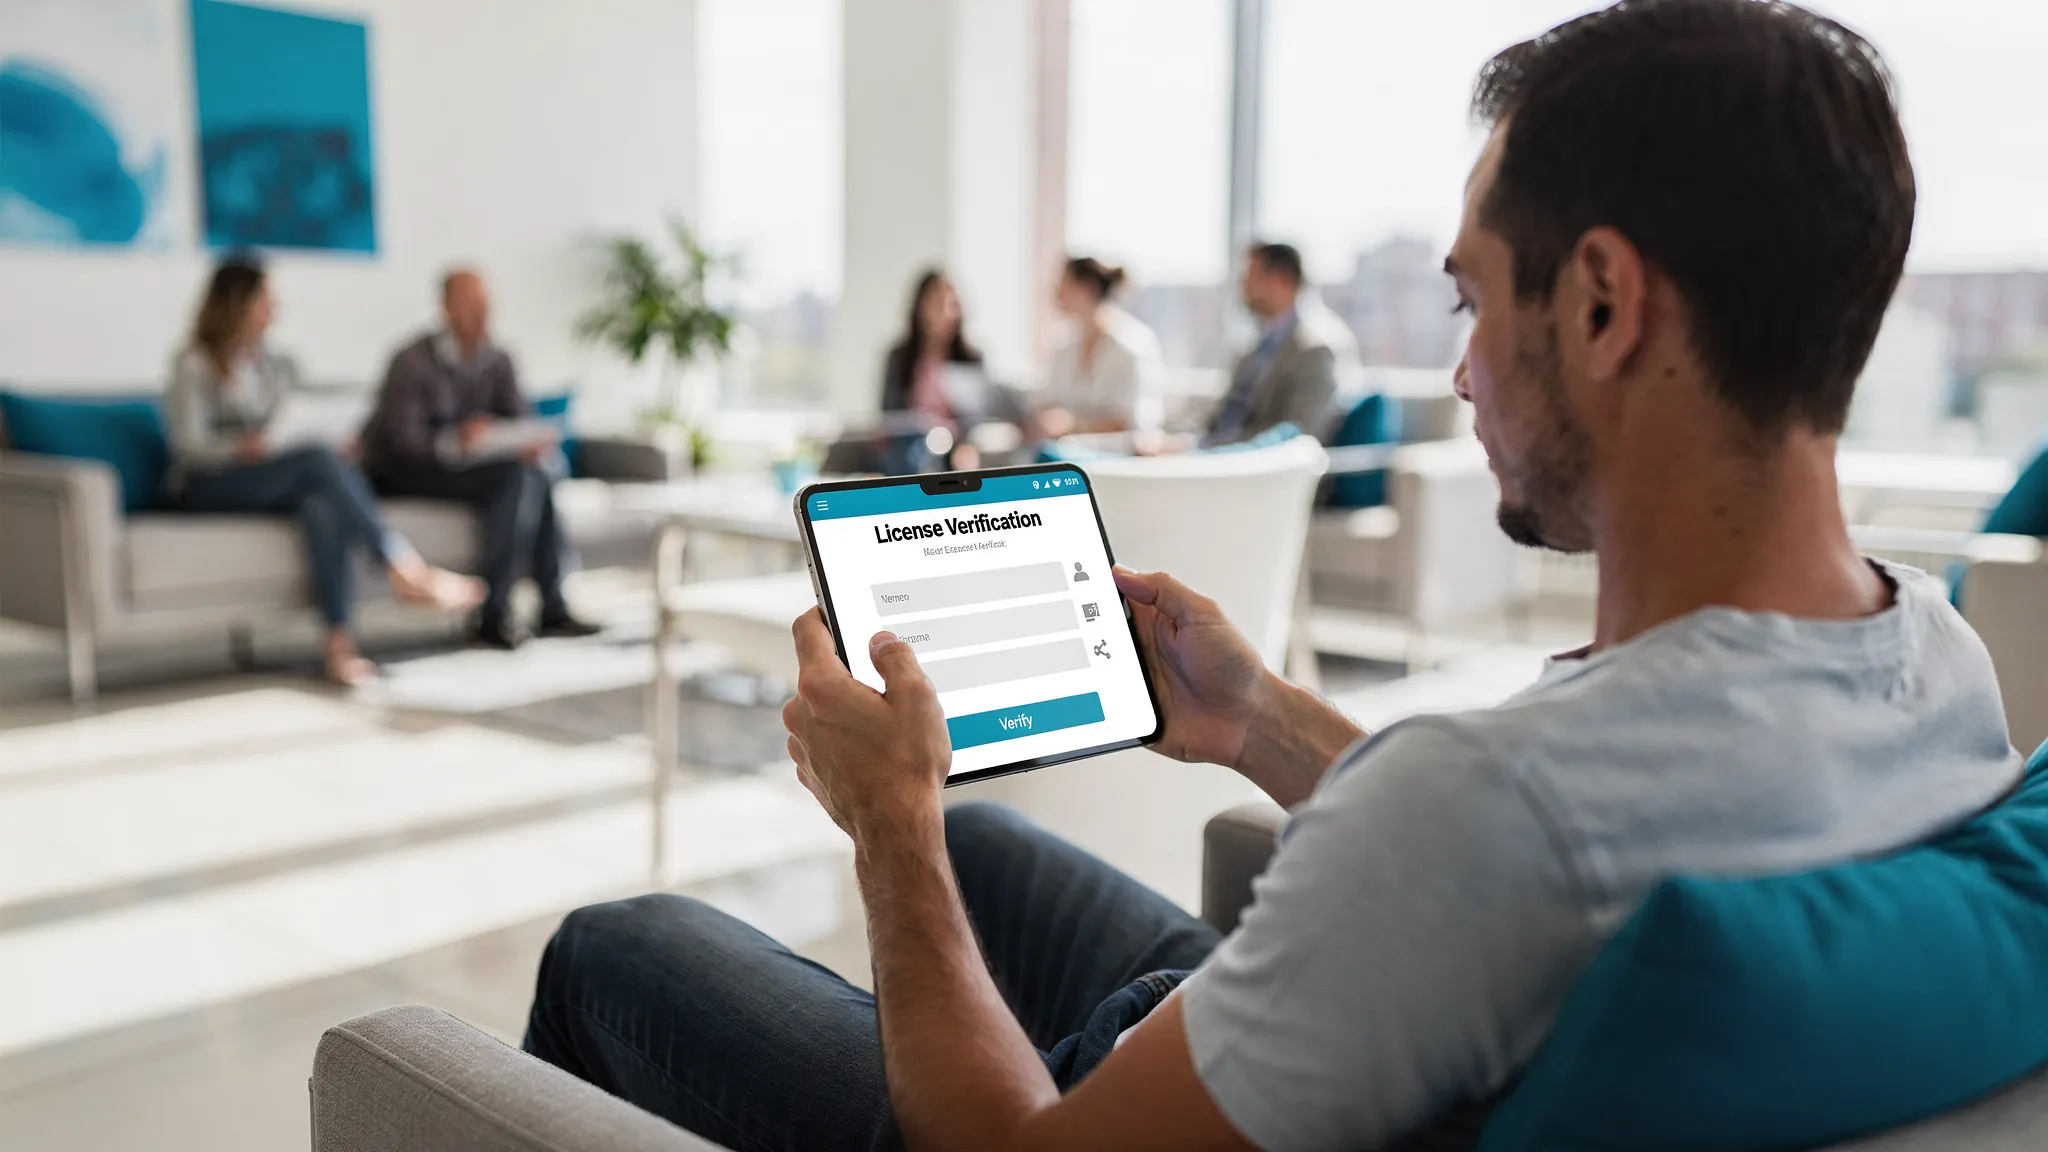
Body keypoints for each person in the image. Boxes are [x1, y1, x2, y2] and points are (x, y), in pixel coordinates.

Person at [520, 2, 2024, 1149]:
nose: (1465, 369)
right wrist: (1261, 719)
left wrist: (891, 824)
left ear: (1605, 302)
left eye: (1473, 297)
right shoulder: (1937, 655)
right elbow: (1549, 874)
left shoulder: (1484, 813)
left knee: (621, 947)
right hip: (1373, 1016)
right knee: (995, 862)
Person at [163, 256, 481, 686]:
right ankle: (403, 567)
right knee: (315, 461)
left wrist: (332, 437)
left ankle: (339, 648)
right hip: (208, 483)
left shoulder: (279, 365)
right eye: (265, 301)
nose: (274, 310)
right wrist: (242, 446)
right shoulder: (194, 363)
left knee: (320, 504)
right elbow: (189, 447)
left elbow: (296, 421)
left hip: (271, 479)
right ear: (237, 303)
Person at [358, 270, 600, 649]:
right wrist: (456, 440)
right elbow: (402, 441)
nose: (482, 315)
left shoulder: (498, 359)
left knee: (534, 470)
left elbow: (519, 417)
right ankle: (493, 613)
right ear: (446, 308)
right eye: (472, 306)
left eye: (486, 306)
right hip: (410, 469)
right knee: (515, 478)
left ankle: (552, 605)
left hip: (473, 469)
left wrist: (525, 441)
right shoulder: (411, 360)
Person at [1203, 242, 1360, 446]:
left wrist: (1213, 449)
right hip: (1218, 453)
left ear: (1281, 279)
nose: (1242, 287)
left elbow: (1296, 436)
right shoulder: (1256, 345)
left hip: (1258, 465)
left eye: (1250, 276)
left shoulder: (1318, 347)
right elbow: (1221, 416)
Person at [1039, 256, 1164, 438]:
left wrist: (1073, 426)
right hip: (1067, 450)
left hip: (1120, 454)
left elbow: (1130, 421)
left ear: (1087, 287)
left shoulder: (1133, 344)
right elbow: (1049, 402)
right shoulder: (1063, 345)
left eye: (1063, 284)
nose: (1056, 293)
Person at [879, 268, 989, 470]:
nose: (946, 312)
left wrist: (964, 445)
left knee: (964, 461)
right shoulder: (900, 357)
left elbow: (977, 416)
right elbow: (889, 414)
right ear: (920, 307)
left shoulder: (971, 358)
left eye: (952, 305)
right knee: (912, 455)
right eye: (938, 303)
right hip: (911, 444)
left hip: (956, 444)